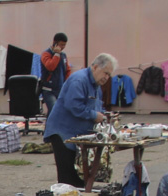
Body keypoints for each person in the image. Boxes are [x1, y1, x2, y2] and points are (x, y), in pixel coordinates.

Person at [41, 52, 115, 187]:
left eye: (109, 75)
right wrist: (94, 116)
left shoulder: (97, 86)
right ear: (95, 67)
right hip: (63, 134)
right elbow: (73, 106)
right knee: (68, 180)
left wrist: (104, 116)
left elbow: (97, 107)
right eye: (105, 73)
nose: (106, 77)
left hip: (78, 136)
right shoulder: (79, 80)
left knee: (82, 177)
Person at [39, 32, 70, 115]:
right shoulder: (46, 54)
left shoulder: (63, 55)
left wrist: (66, 83)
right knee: (54, 109)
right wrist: (56, 54)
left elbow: (67, 70)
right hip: (48, 90)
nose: (63, 47)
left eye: (64, 45)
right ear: (55, 43)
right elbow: (50, 66)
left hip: (60, 89)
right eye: (61, 45)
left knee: (59, 111)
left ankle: (51, 126)